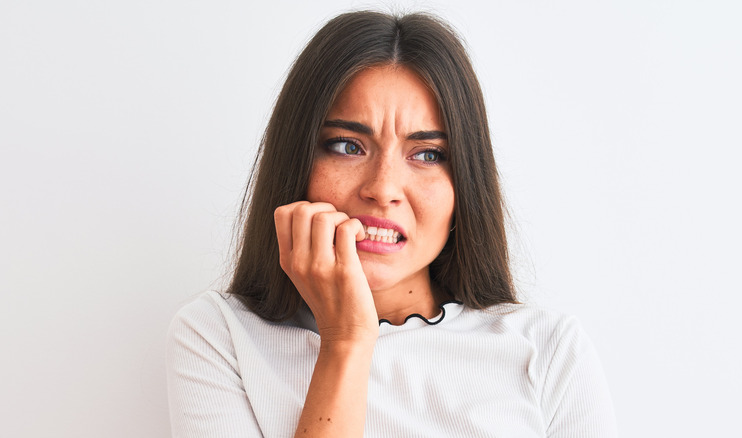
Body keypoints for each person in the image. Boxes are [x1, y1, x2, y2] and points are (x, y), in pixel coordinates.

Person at [166, 10, 618, 438]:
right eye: (347, 146)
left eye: (427, 155)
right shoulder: (219, 337)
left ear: (465, 183)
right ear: (296, 163)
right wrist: (346, 341)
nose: (383, 189)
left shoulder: (548, 349)